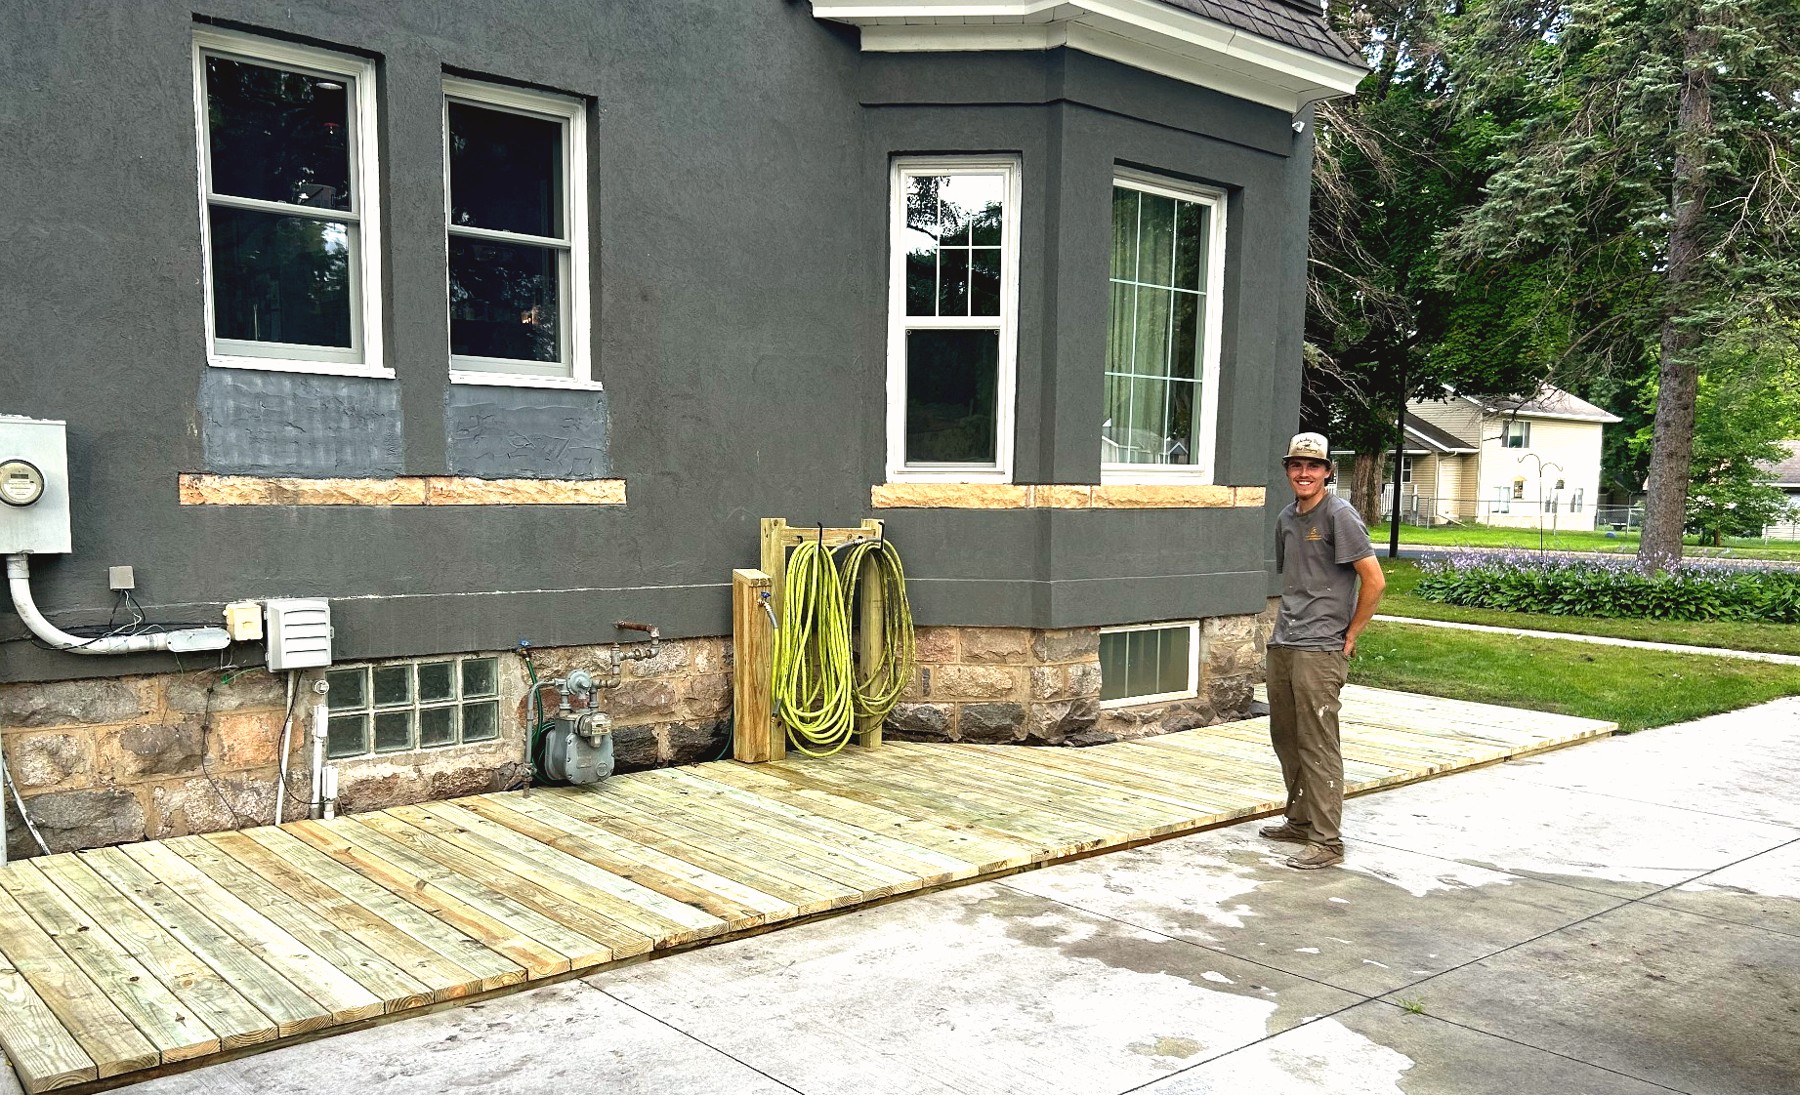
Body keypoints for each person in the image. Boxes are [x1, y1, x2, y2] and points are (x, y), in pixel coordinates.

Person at [1261, 432, 1386, 869]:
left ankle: (1327, 841)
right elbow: (1294, 582)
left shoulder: (1340, 515)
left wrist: (1352, 633)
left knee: (1317, 742)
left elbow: (1374, 581)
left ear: (1328, 471)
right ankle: (1298, 820)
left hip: (1321, 648)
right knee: (1287, 737)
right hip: (1285, 641)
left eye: (1314, 466)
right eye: (1296, 465)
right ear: (1287, 470)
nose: (1304, 473)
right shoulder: (1286, 518)